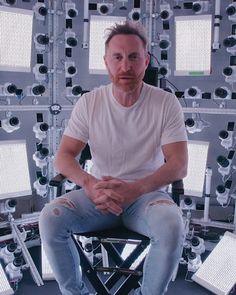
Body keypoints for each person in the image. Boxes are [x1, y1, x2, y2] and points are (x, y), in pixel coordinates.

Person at [39, 21, 188, 295]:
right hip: (99, 196)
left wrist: (136, 188)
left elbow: (178, 164)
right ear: (106, 62)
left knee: (171, 225)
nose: (125, 66)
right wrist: (90, 184)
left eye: (133, 57)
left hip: (147, 198)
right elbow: (63, 157)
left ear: (145, 61)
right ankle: (77, 293)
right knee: (50, 218)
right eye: (117, 57)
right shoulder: (90, 102)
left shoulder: (166, 103)